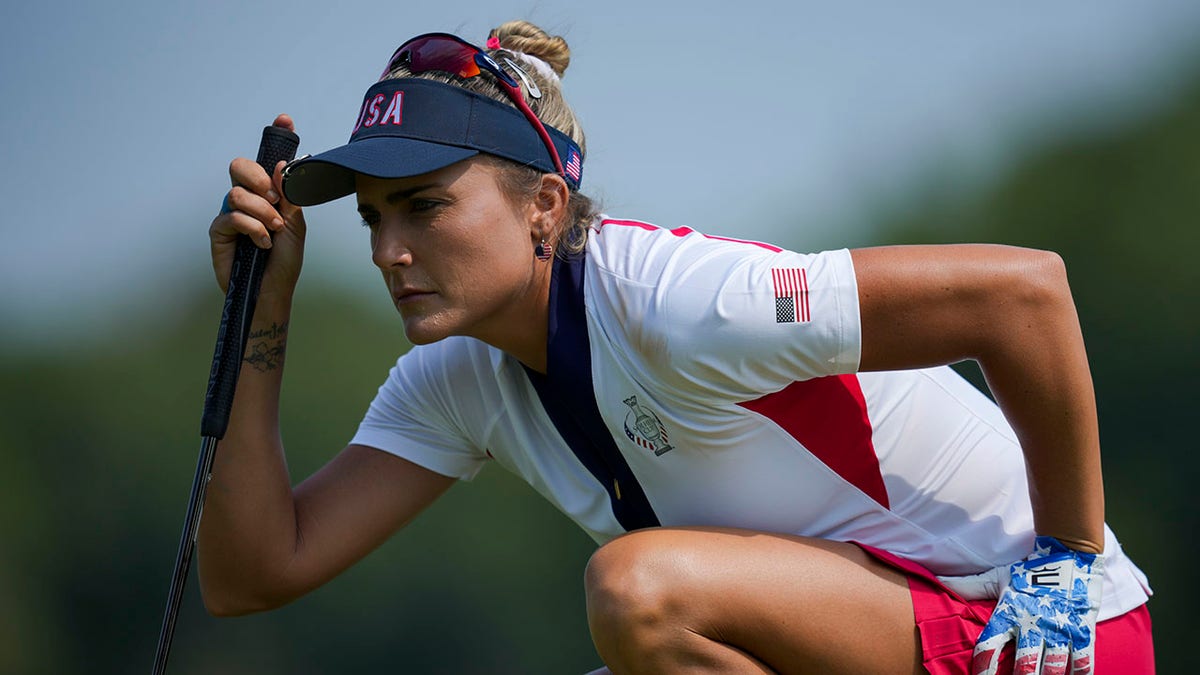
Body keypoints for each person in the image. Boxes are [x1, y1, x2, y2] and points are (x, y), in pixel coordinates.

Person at [203, 20, 1154, 675]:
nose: (388, 249)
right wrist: (258, 316)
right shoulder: (454, 380)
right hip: (899, 626)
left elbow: (1024, 294)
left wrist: (1068, 553)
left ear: (543, 206)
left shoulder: (674, 299)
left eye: (425, 205)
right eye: (371, 217)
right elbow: (253, 571)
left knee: (635, 589)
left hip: (1047, 632)